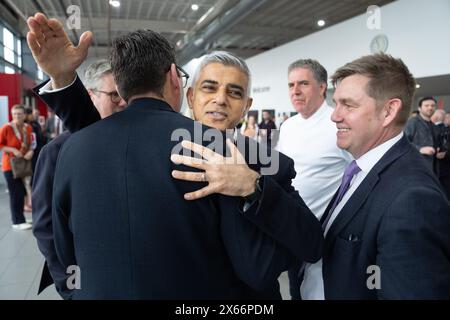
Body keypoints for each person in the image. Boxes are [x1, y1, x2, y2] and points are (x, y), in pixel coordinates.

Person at [27, 13, 322, 299]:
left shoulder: (260, 159)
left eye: (234, 92)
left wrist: (253, 187)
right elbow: (107, 145)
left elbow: (306, 244)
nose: (220, 99)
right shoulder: (110, 146)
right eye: (209, 87)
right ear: (186, 91)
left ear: (247, 105)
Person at [300, 53, 450, 299]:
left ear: (389, 111)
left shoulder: (413, 200)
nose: (334, 116)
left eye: (348, 105)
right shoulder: (362, 166)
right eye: (336, 103)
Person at [32, 59, 126, 299]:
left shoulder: (131, 143)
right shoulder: (56, 151)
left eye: (126, 94)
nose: (123, 102)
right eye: (114, 95)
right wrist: (70, 287)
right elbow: (45, 228)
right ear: (90, 95)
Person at [276, 59, 352, 299]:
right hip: (291, 229)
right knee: (296, 290)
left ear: (321, 87)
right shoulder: (288, 126)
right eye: (290, 85)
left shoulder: (338, 124)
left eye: (303, 84)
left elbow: (358, 174)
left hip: (326, 234)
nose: (295, 91)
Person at [0, 104, 34, 230]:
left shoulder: (27, 127)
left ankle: (21, 219)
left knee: (22, 192)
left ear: (24, 115)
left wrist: (31, 151)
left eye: (19, 114)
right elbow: (1, 144)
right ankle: (17, 222)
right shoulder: (7, 128)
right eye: (14, 114)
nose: (17, 116)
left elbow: (31, 144)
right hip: (9, 166)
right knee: (16, 193)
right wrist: (13, 149)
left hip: (22, 165)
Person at [404, 96, 438, 172]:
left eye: (432, 105)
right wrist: (420, 149)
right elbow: (402, 142)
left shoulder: (433, 125)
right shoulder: (412, 122)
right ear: (419, 108)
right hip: (416, 167)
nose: (430, 108)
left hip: (431, 168)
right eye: (426, 105)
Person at [433, 109, 450, 198]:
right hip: (442, 169)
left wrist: (446, 154)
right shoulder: (445, 130)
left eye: (448, 117)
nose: (446, 119)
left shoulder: (438, 129)